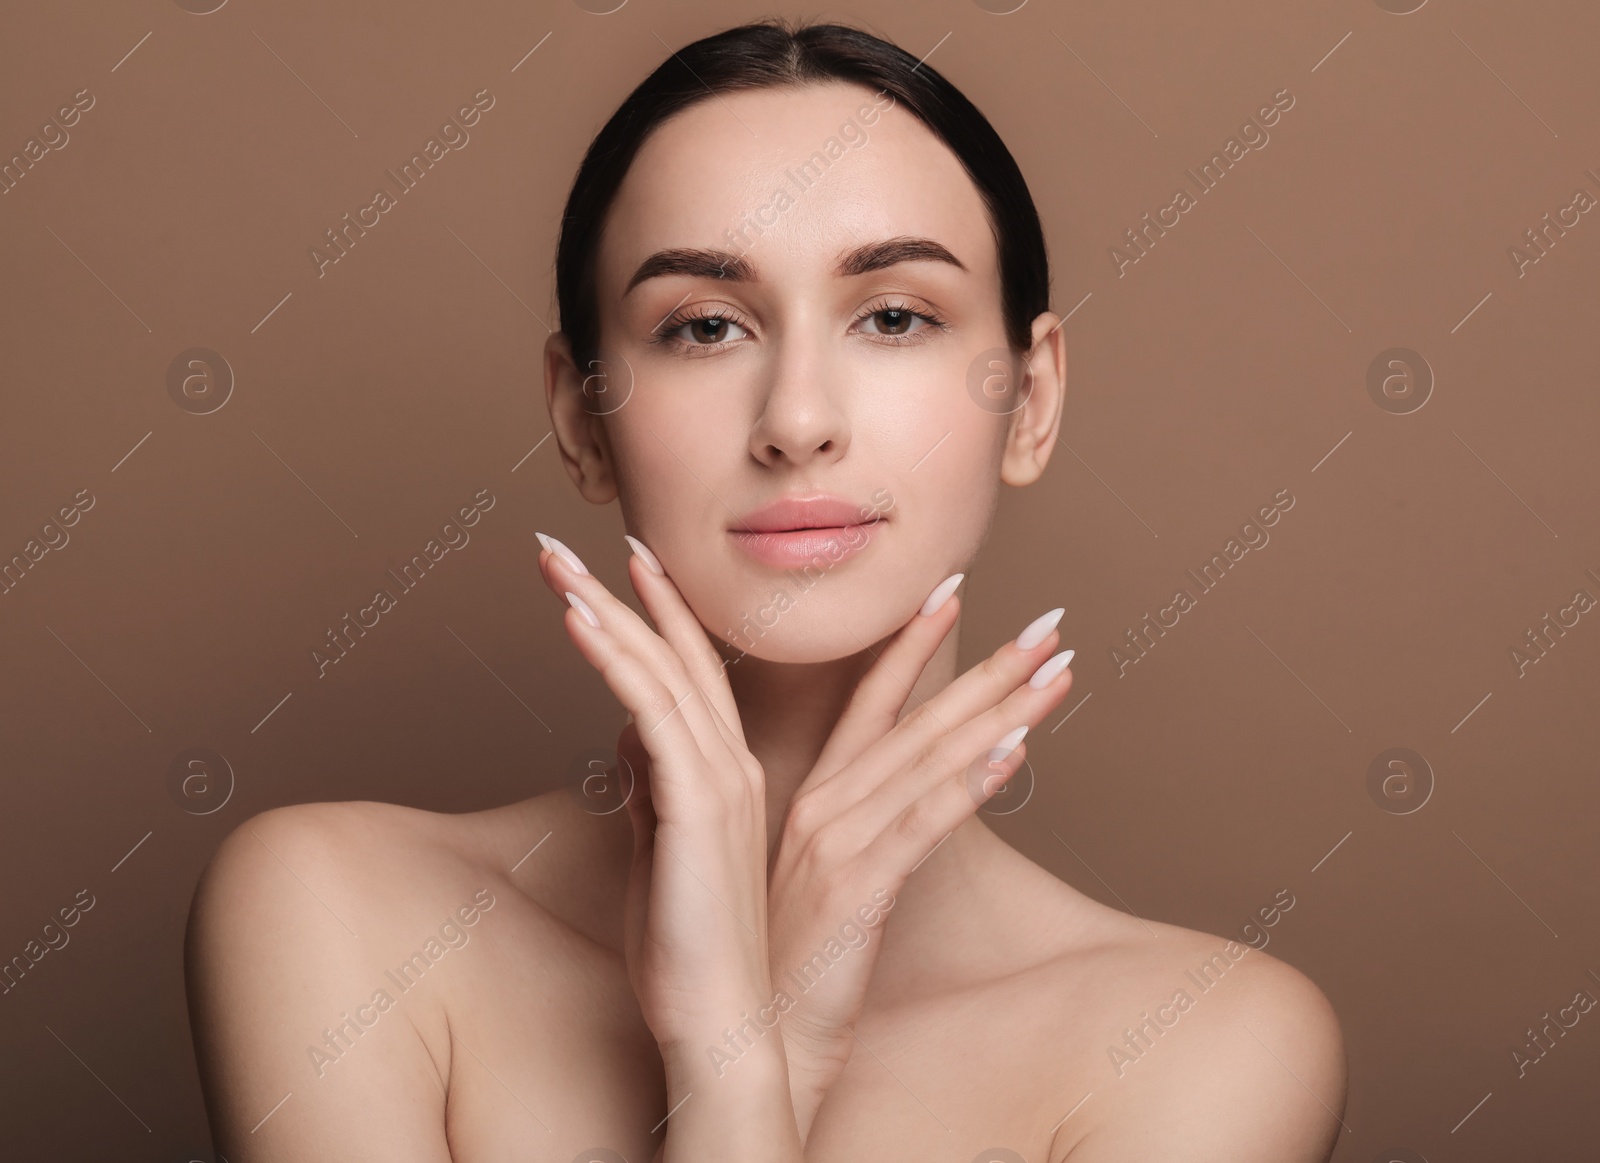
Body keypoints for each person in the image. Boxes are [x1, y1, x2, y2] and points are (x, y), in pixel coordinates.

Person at [184, 17, 1346, 1161]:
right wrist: (746, 1055)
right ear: (581, 417)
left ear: (1030, 397)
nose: (796, 421)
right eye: (702, 327)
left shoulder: (1207, 1045)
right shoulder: (333, 915)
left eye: (894, 316)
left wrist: (750, 1052)